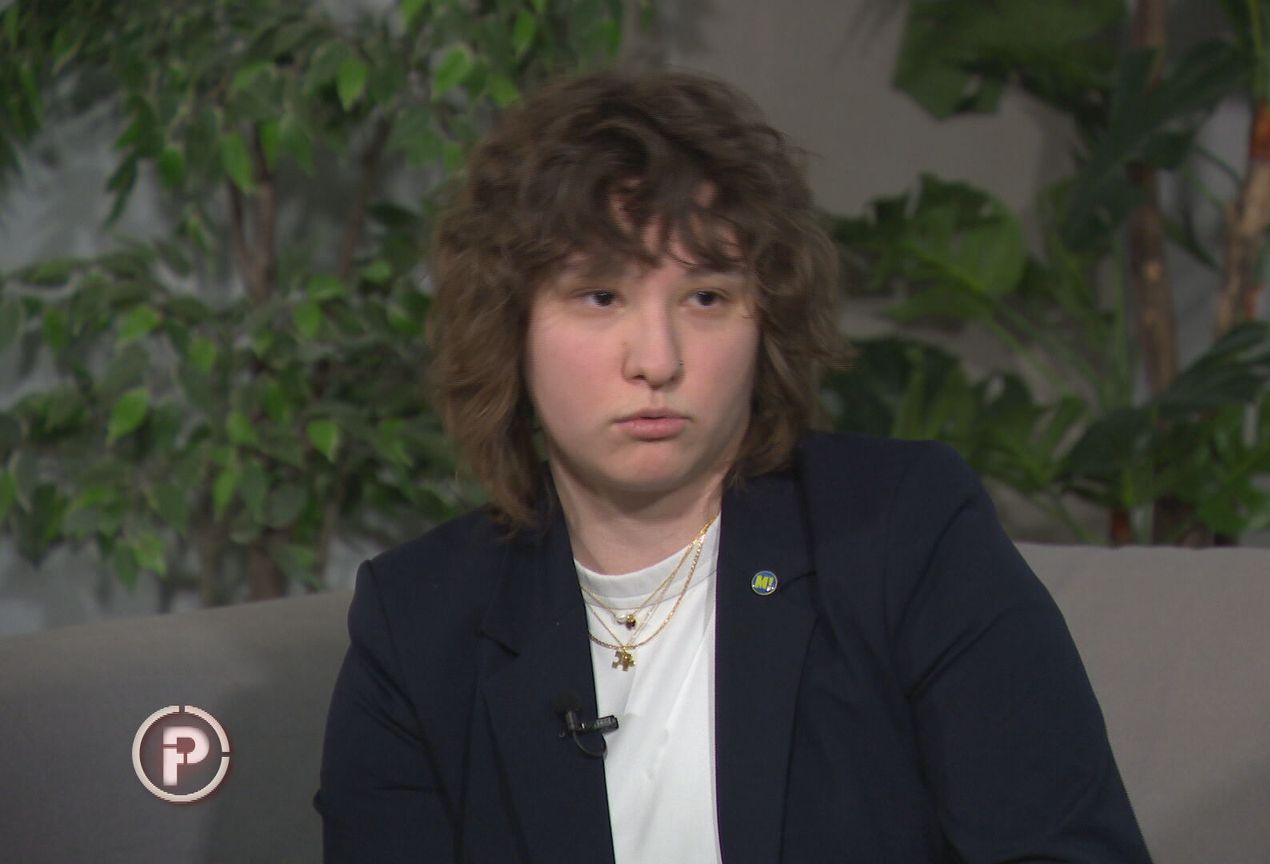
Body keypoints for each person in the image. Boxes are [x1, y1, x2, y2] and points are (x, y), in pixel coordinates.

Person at [314, 67, 1151, 864]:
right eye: (601, 296)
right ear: (511, 328)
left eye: (706, 297)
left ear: (766, 322)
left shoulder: (903, 531)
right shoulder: (419, 623)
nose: (657, 359)